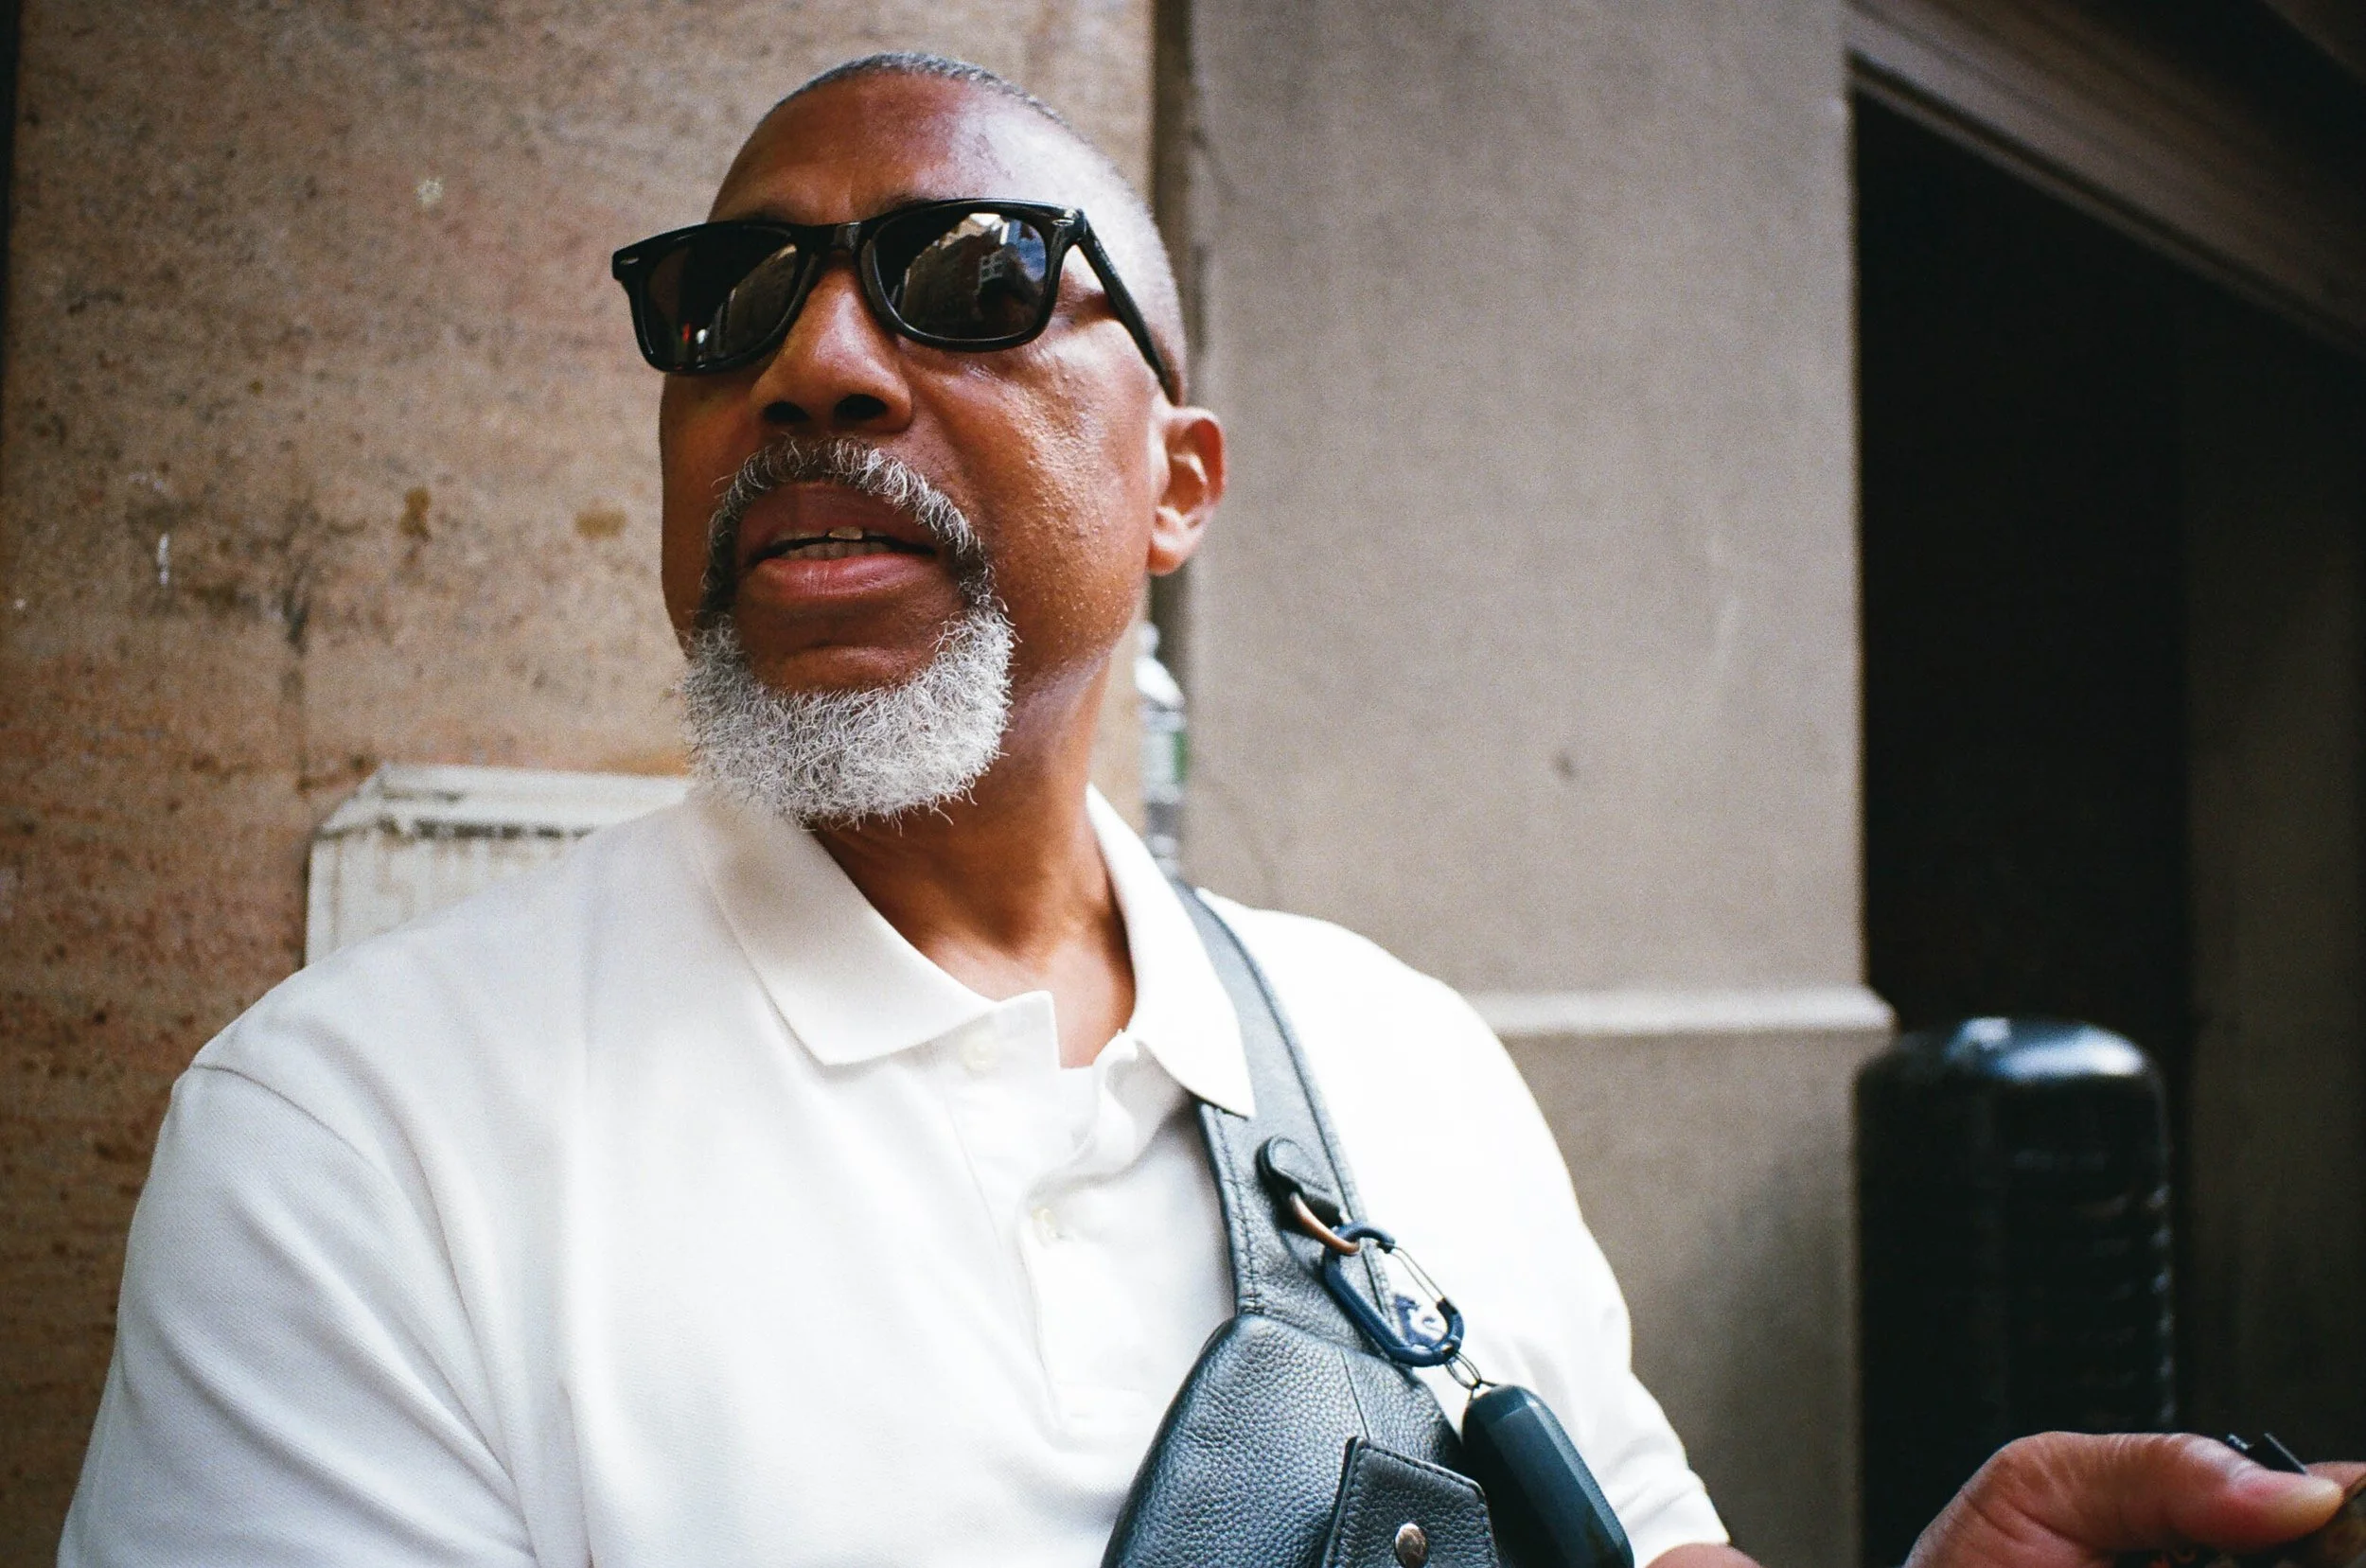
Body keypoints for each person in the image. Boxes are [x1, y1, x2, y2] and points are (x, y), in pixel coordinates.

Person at [59, 51, 2357, 1568]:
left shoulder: (1405, 1060)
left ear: (1176, 484)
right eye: (725, 299)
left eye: (968, 280)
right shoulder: (355, 1143)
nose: (814, 361)